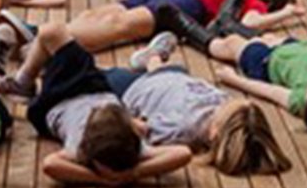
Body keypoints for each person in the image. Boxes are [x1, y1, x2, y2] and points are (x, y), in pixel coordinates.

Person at [0, 23, 193, 187]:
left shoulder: (80, 151)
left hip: (57, 101)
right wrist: (135, 173)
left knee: (50, 36)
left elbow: (50, 165)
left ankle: (23, 81)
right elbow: (183, 153)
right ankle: (28, 76)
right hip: (96, 87)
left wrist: (100, 179)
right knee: (52, 32)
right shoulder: (135, 151)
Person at [106, 34, 292, 176]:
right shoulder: (225, 110)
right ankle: (151, 58)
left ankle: (151, 60)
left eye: (224, 107)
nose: (224, 102)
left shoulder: (182, 127)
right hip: (171, 77)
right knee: (177, 68)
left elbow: (141, 129)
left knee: (98, 74)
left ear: (213, 132)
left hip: (133, 89)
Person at [62, 0, 303, 52]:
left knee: (119, 25)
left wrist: (286, 12)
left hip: (188, 4)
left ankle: (52, 43)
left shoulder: (253, 1)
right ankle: (44, 38)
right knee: (92, 15)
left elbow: (250, 23)